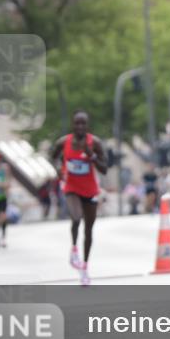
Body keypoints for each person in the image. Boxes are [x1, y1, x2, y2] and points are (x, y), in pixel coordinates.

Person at [49, 110, 108, 286]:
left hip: (90, 190)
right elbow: (52, 158)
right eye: (77, 123)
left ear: (87, 126)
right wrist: (58, 169)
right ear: (73, 125)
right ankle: (74, 250)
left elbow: (105, 168)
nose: (80, 126)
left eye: (83, 123)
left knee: (89, 230)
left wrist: (92, 156)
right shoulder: (64, 142)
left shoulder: (95, 143)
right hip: (71, 187)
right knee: (76, 217)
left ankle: (84, 267)